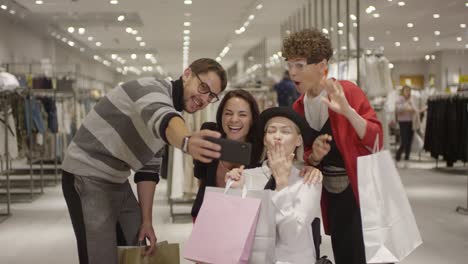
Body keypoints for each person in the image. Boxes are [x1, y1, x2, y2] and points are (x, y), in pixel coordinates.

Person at [61, 58, 227, 264]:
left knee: (136, 242)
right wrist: (187, 141)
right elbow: (163, 117)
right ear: (187, 75)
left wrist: (147, 221)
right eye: (203, 88)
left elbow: (148, 170)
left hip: (116, 178)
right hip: (85, 173)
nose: (204, 99)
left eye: (211, 96)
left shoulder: (173, 109)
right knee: (99, 255)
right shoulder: (151, 90)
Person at [282, 29, 383, 264]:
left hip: (360, 192)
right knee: (345, 252)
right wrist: (314, 157)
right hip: (331, 194)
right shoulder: (298, 107)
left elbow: (375, 139)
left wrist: (348, 111)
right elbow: (307, 159)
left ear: (322, 65)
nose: (292, 73)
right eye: (289, 65)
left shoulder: (346, 91)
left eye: (299, 65)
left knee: (369, 254)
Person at [226, 107, 323, 264]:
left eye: (285, 131)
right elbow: (235, 228)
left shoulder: (309, 179)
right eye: (271, 131)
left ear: (298, 140)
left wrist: (282, 184)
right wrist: (234, 187)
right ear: (265, 139)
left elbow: (291, 237)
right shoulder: (247, 176)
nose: (277, 136)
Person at [191, 89, 262, 220]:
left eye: (242, 115)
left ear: (252, 119)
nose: (234, 119)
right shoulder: (210, 137)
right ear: (221, 116)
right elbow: (201, 178)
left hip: (245, 220)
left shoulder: (261, 148)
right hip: (207, 216)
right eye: (228, 113)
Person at [395, 85, 416, 162]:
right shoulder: (400, 99)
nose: (408, 92)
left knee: (410, 140)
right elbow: (399, 109)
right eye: (406, 91)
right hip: (403, 122)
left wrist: (411, 108)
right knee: (404, 140)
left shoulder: (412, 99)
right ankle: (398, 155)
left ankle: (407, 157)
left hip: (411, 121)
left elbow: (414, 109)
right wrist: (406, 105)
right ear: (403, 92)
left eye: (409, 91)